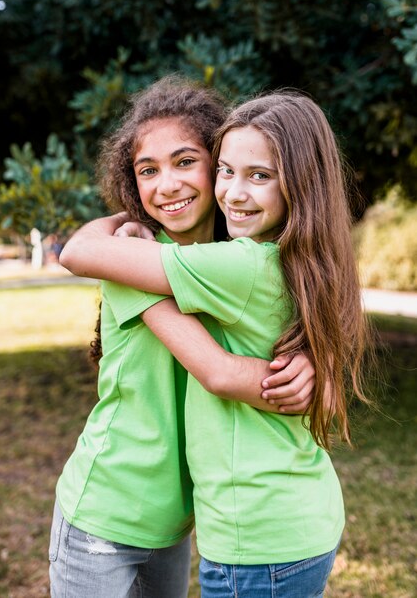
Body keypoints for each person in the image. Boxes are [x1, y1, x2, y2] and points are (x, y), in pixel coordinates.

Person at [60, 88, 372, 597]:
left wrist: (315, 368)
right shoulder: (129, 259)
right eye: (147, 171)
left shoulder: (240, 260)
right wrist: (124, 224)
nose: (167, 185)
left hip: (184, 520)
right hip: (108, 505)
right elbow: (79, 253)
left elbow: (315, 387)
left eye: (187, 161)